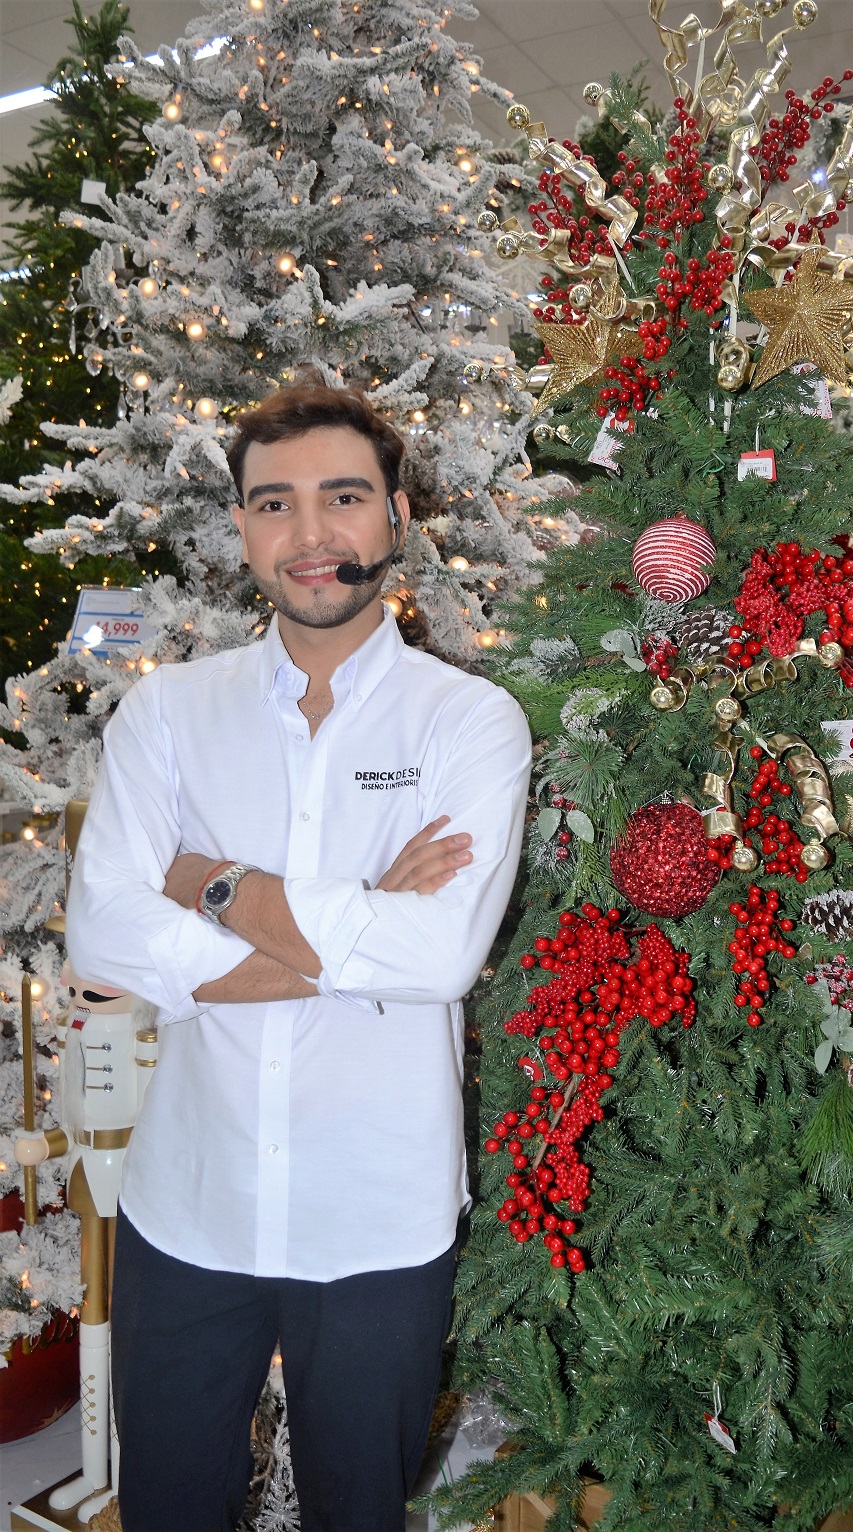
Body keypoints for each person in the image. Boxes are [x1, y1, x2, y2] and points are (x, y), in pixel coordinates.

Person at [66, 383, 533, 1532]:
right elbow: (104, 935)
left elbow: (438, 955)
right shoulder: (169, 713)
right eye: (274, 503)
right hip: (192, 1204)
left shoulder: (468, 722)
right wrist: (367, 912)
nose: (310, 534)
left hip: (376, 1215)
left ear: (397, 515)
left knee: (358, 1513)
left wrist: (211, 884)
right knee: (169, 1507)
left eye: (343, 497)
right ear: (241, 527)